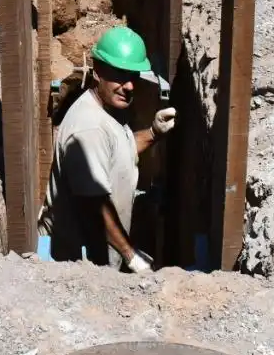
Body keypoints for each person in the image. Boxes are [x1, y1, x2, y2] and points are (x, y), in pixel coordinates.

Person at [39, 26, 177, 270]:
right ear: (98, 71)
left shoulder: (105, 111)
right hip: (82, 268)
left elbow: (117, 152)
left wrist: (153, 133)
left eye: (133, 77)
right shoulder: (89, 128)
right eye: (120, 75)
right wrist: (131, 255)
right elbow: (94, 205)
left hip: (101, 258)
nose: (129, 86)